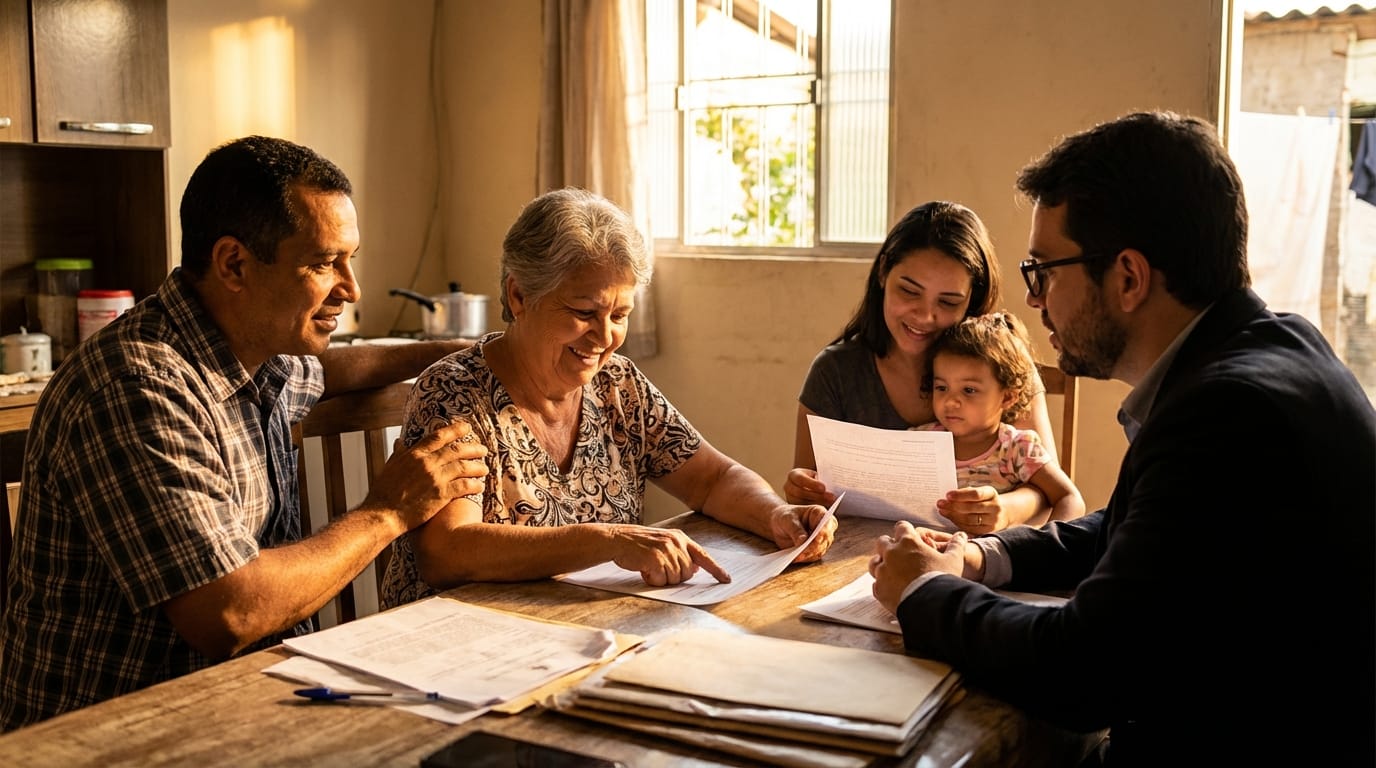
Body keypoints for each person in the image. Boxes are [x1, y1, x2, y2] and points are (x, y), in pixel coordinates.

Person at [869, 111, 1376, 767]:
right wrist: (980, 558)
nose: (1034, 301)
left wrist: (923, 591)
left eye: (1044, 272)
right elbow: (1135, 530)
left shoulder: (1227, 412)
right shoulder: (1273, 349)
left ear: (1129, 277)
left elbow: (1081, 671)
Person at [0, 136, 489, 731]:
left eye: (349, 258)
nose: (351, 288)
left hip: (243, 707)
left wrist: (459, 352)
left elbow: (334, 370)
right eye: (322, 263)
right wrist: (389, 510)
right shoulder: (135, 384)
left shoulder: (255, 349)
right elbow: (227, 613)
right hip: (114, 735)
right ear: (234, 264)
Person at [380, 187, 836, 606]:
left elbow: (711, 479)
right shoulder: (456, 393)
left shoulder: (617, 384)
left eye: (620, 314)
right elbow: (448, 551)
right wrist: (608, 540)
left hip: (579, 630)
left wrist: (778, 516)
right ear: (519, 295)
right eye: (584, 313)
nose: (604, 336)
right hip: (459, 647)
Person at [785, 202, 1061, 532]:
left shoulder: (1002, 366)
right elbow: (806, 501)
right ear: (884, 272)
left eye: (948, 302)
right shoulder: (836, 372)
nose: (925, 315)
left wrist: (1006, 508)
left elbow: (1050, 493)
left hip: (981, 560)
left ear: (972, 298)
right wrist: (802, 491)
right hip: (863, 563)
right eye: (909, 291)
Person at [914, 312, 1084, 529]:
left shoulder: (1017, 448)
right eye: (941, 388)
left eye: (968, 390)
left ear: (1008, 396)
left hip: (995, 558)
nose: (950, 402)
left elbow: (1070, 498)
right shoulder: (921, 441)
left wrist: (1046, 548)